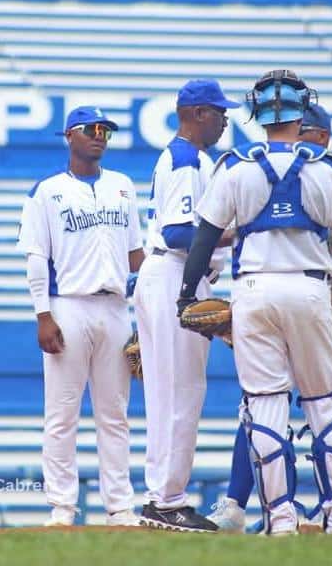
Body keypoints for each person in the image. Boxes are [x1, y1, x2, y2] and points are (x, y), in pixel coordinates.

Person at [178, 70, 332, 536]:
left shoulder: (235, 166)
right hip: (310, 290)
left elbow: (204, 236)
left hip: (254, 292)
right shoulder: (329, 169)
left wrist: (187, 294)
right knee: (324, 402)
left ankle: (278, 518)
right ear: (303, 112)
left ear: (255, 114)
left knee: (264, 405)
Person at [18, 106, 145, 528]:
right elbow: (37, 258)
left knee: (115, 412)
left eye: (105, 130)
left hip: (114, 307)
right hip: (67, 305)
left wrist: (144, 314)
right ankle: (61, 506)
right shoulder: (48, 190)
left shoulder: (123, 187)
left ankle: (119, 506)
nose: (99, 136)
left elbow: (135, 256)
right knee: (62, 411)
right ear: (69, 136)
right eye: (91, 129)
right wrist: (42, 314)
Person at [136, 80, 238, 533]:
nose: (224, 119)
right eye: (218, 112)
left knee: (167, 396)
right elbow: (181, 233)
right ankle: (168, 501)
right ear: (197, 113)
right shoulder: (186, 159)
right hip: (177, 275)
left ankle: (161, 496)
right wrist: (243, 232)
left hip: (165, 276)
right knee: (181, 394)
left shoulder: (182, 157)